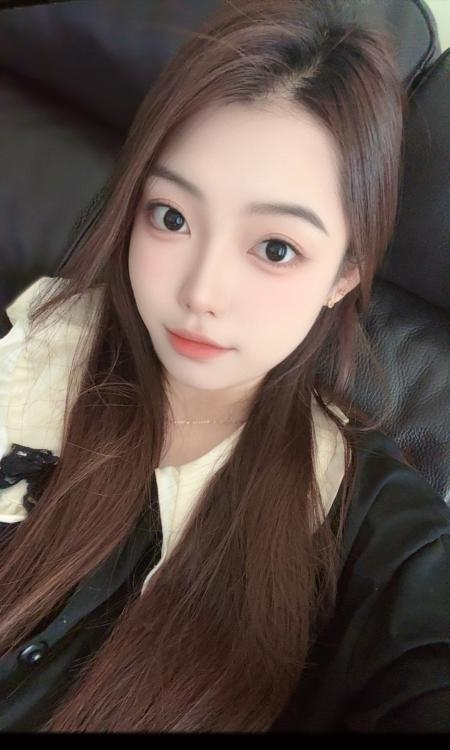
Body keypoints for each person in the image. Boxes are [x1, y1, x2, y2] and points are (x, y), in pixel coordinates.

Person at [0, 0, 448, 734]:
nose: (200, 293)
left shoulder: (375, 528)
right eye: (171, 217)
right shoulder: (31, 343)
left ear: (345, 273)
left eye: (275, 248)